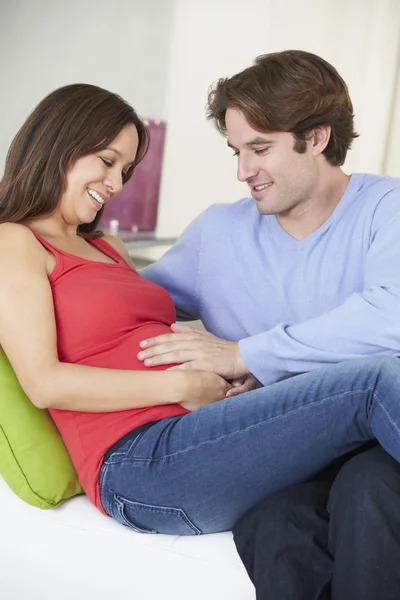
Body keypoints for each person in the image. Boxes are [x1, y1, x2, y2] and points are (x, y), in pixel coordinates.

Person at [0, 83, 399, 545]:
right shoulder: (15, 242)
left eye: (125, 170)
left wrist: (239, 377)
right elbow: (44, 383)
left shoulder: (108, 248)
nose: (116, 185)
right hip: (138, 462)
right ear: (57, 146)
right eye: (108, 162)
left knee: (362, 464)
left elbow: (138, 332)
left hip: (199, 430)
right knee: (373, 382)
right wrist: (180, 383)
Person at [138, 50, 400, 598]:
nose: (243, 171)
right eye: (236, 151)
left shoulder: (387, 208)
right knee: (273, 526)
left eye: (260, 148)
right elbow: (134, 308)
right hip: (297, 453)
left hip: (382, 441)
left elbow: (390, 318)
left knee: (367, 489)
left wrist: (245, 354)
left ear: (318, 137)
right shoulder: (218, 234)